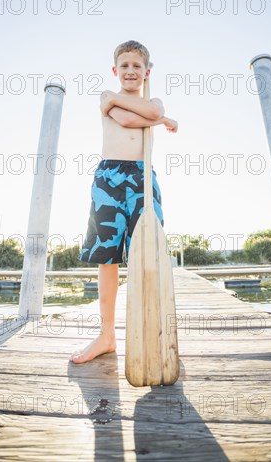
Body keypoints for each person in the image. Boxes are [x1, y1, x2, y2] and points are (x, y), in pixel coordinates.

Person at [70, 40, 178, 363]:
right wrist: (160, 121)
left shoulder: (153, 99)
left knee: (150, 252)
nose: (131, 71)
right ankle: (106, 335)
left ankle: (155, 332)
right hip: (109, 178)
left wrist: (157, 114)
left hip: (143, 176)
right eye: (125, 66)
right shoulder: (107, 97)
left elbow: (153, 109)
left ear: (147, 72)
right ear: (116, 70)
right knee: (107, 256)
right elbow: (131, 122)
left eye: (137, 66)